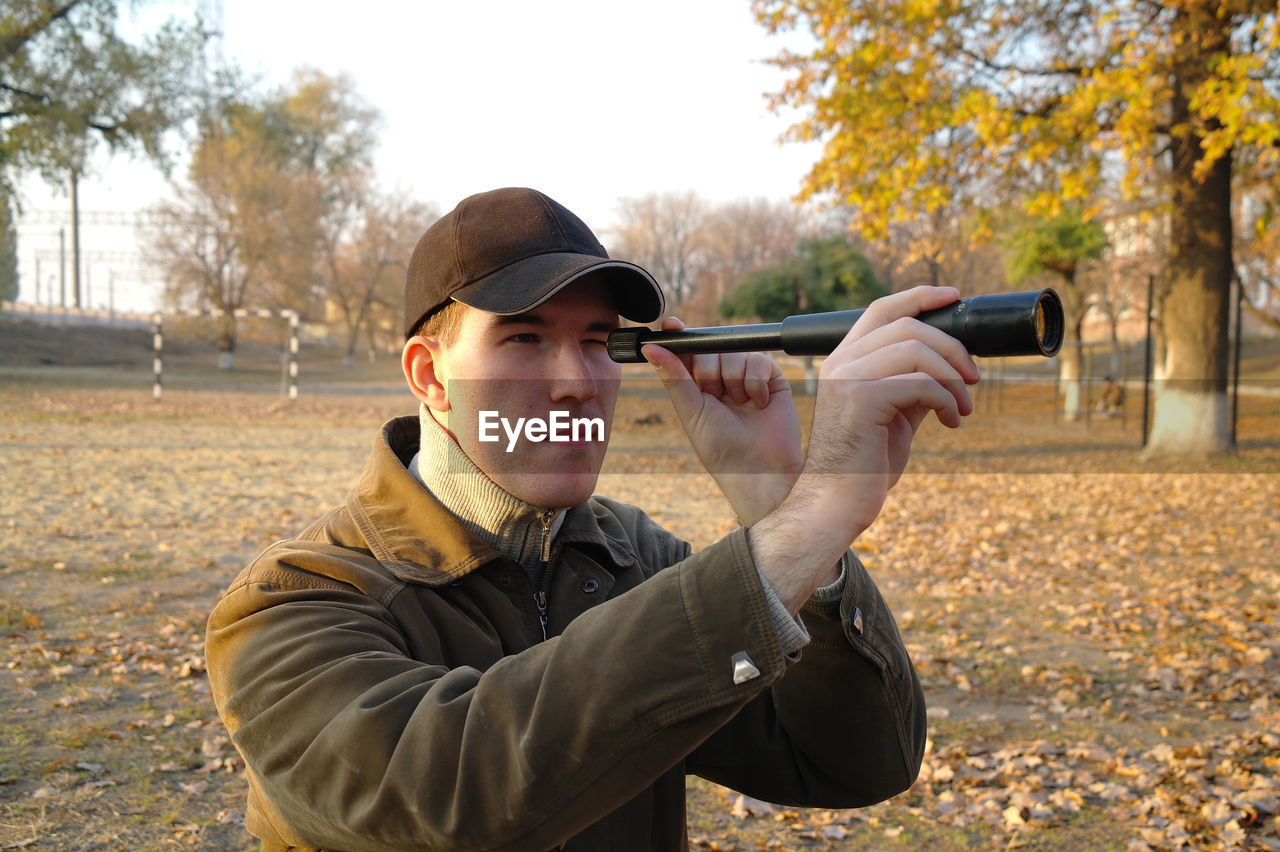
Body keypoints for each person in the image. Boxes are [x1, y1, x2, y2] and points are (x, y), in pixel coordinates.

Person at [206, 187, 981, 851]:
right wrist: (812, 521)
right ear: (430, 377)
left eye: (599, 342)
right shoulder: (288, 604)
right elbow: (453, 793)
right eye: (524, 339)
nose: (578, 383)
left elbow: (859, 762)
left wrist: (780, 502)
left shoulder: (632, 558)